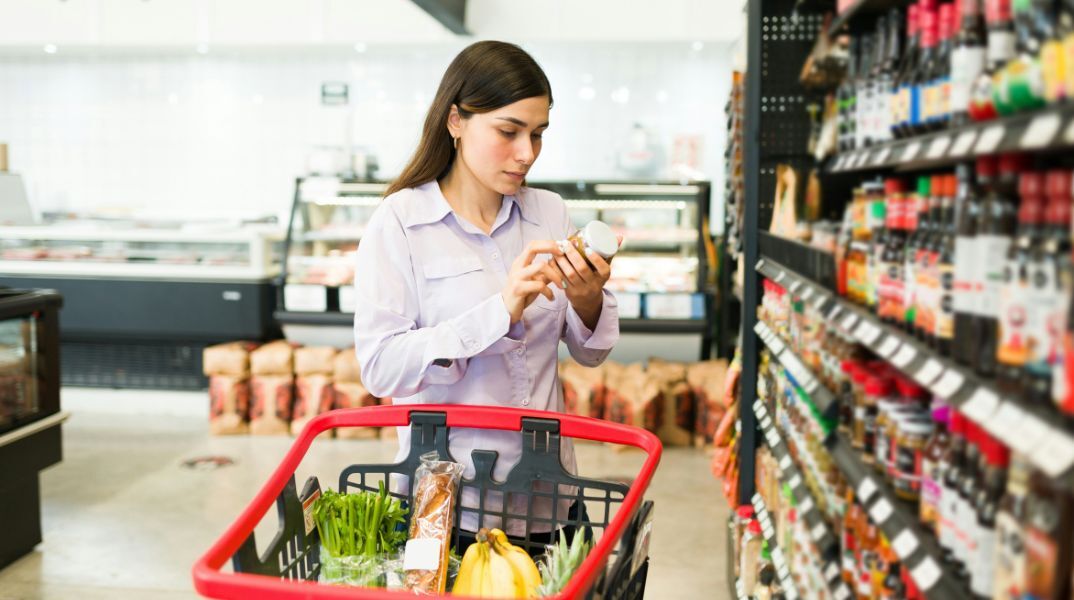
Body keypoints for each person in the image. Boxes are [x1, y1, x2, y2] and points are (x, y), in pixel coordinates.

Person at [353, 40, 619, 553]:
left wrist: (589, 298)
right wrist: (499, 310)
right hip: (446, 505)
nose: (528, 153)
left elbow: (591, 352)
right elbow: (381, 367)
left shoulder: (549, 213)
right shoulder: (401, 223)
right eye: (508, 131)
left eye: (538, 134)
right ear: (455, 120)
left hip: (547, 493)